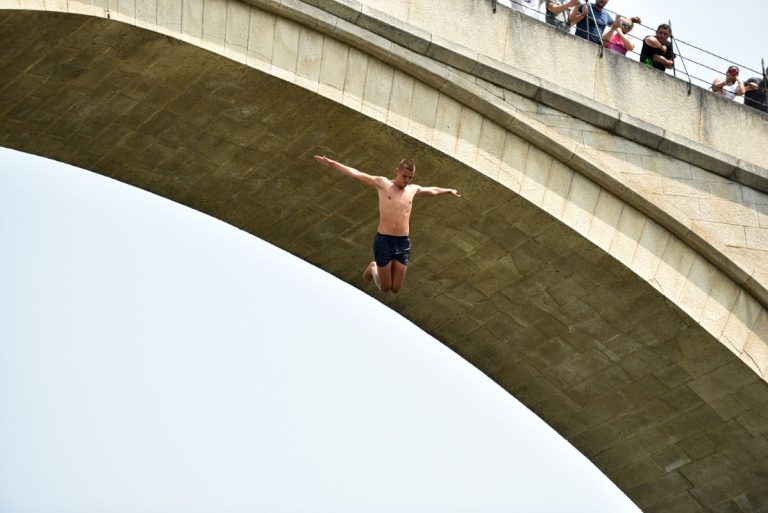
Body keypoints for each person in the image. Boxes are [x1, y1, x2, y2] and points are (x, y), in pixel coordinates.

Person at [313, 156, 460, 294]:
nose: (407, 181)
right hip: (384, 241)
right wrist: (332, 164)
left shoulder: (412, 190)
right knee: (385, 287)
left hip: (403, 243)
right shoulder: (383, 184)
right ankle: (373, 267)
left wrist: (448, 190)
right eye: (404, 176)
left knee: (395, 288)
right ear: (397, 171)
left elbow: (433, 190)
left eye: (410, 178)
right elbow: (356, 174)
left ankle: (377, 269)